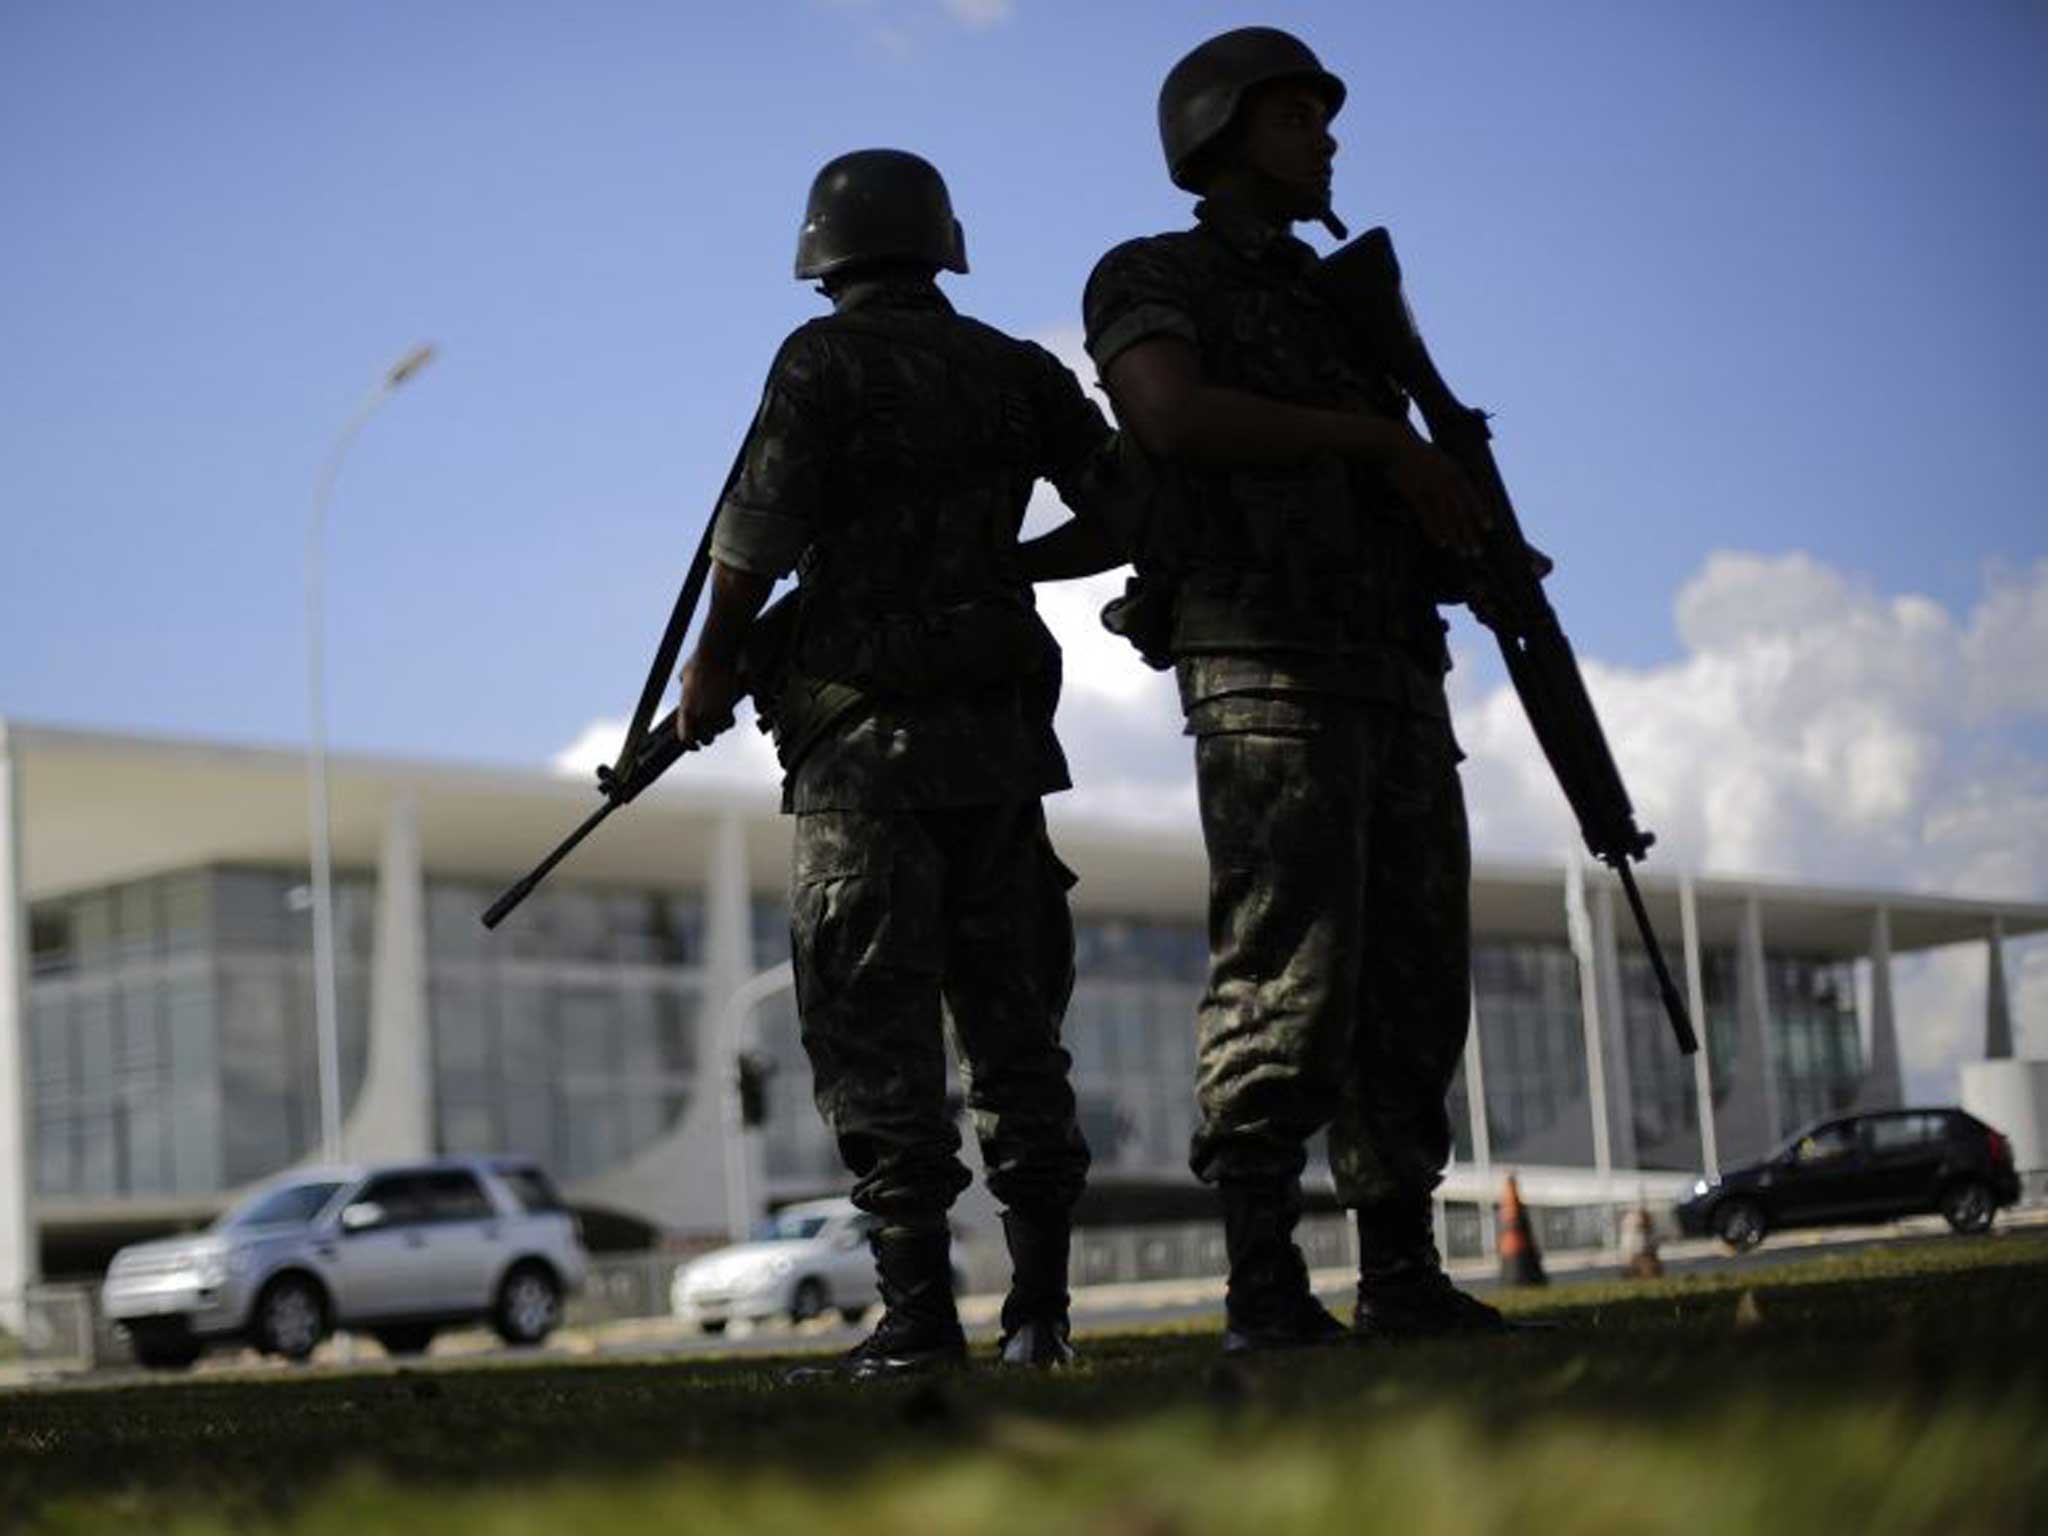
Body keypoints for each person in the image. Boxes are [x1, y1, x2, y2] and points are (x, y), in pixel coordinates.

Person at [1079, 27, 1506, 1350]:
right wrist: (1374, 438)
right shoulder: (1154, 274)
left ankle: (1400, 1272)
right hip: (1267, 667)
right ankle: (1264, 1282)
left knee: (1414, 977)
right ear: (1219, 134)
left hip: (1389, 667)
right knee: (1287, 974)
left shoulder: (1341, 305)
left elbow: (1404, 481)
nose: (1324, 139)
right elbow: (1169, 416)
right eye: (1294, 117)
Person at [676, 148, 1112, 1377]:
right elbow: (1129, 510)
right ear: (938, 244)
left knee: (876, 1035)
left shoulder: (821, 360)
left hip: (861, 761)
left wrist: (711, 669)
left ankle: (918, 1318)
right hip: (1000, 753)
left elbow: (753, 533)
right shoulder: (1013, 372)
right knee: (1016, 1029)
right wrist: (1013, 568)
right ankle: (1041, 1314)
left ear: (823, 256)